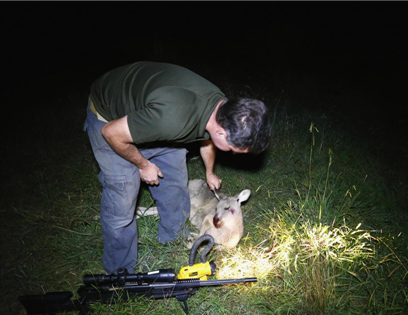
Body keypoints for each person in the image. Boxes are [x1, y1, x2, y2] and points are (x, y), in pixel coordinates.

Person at [83, 62, 270, 274]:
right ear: (222, 133)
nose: (234, 154)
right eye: (234, 149)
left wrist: (209, 171)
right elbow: (111, 133)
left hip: (154, 115)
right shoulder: (171, 117)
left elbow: (205, 136)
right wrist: (143, 165)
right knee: (122, 194)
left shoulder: (220, 109)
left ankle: (172, 237)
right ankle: (119, 272)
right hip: (110, 116)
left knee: (175, 180)